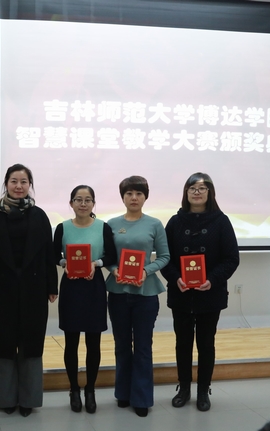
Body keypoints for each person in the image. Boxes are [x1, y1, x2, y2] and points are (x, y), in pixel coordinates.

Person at [0, 163, 58, 417]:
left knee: (31, 342)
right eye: (14, 181)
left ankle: (28, 399)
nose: (18, 186)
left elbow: (48, 253)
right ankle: (4, 398)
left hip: (33, 288)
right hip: (0, 289)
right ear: (6, 184)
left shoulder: (39, 215)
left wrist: (52, 285)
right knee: (3, 342)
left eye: (24, 182)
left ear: (30, 185)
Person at [160, 173, 239, 412]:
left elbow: (231, 259)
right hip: (182, 293)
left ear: (210, 193)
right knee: (182, 344)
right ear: (186, 192)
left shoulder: (221, 221)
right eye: (192, 188)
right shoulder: (175, 221)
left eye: (202, 188)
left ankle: (203, 390)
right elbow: (165, 258)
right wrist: (176, 278)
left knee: (206, 344)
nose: (197, 192)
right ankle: (184, 388)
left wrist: (212, 280)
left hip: (210, 294)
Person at [105, 175, 170, 418]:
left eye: (139, 193)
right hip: (118, 293)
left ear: (145, 197)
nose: (134, 198)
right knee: (122, 345)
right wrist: (114, 269)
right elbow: (107, 256)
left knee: (143, 347)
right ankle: (123, 393)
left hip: (146, 294)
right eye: (129, 193)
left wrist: (145, 271)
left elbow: (164, 256)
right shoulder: (111, 224)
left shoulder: (154, 224)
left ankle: (142, 398)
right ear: (122, 197)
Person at [53, 185, 117, 414]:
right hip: (71, 286)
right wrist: (65, 263)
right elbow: (54, 255)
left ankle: (90, 390)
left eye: (87, 200)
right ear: (71, 203)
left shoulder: (103, 227)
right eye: (78, 199)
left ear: (93, 204)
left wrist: (95, 264)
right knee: (71, 342)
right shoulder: (62, 228)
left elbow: (111, 255)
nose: (83, 204)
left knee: (93, 341)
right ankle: (74, 389)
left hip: (94, 285)